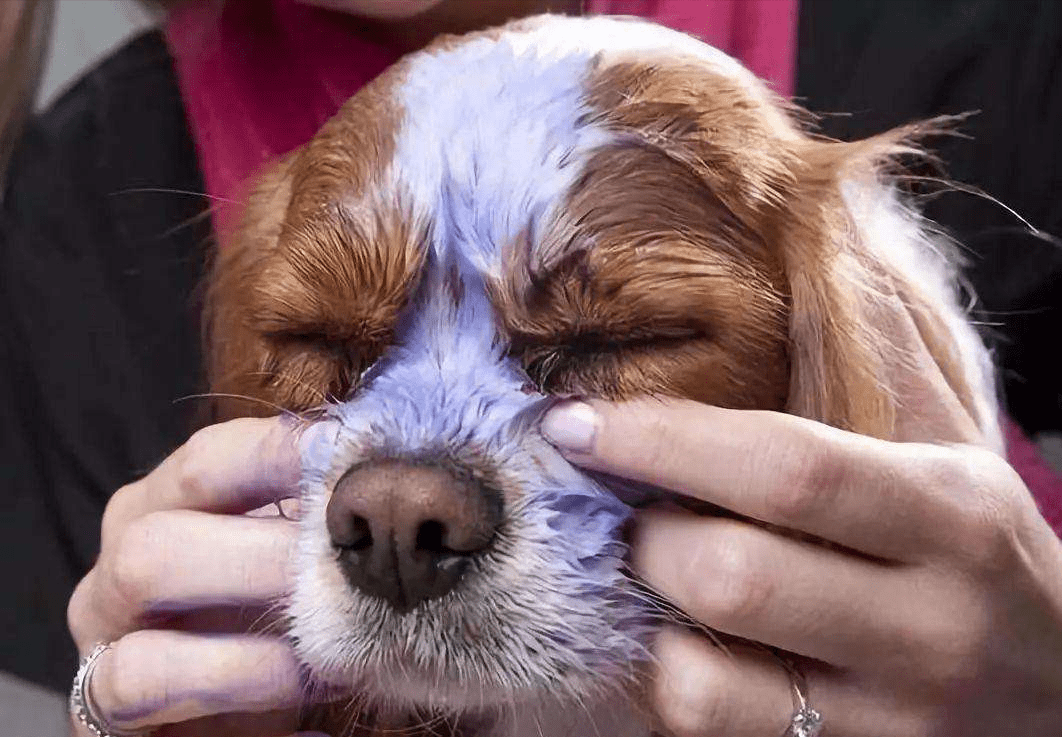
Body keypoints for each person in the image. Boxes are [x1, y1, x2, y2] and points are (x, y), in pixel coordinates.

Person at [1, 0, 1060, 735]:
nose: (401, 509)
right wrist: (127, 707)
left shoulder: (989, 44)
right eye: (320, 353)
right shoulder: (86, 197)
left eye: (617, 342)